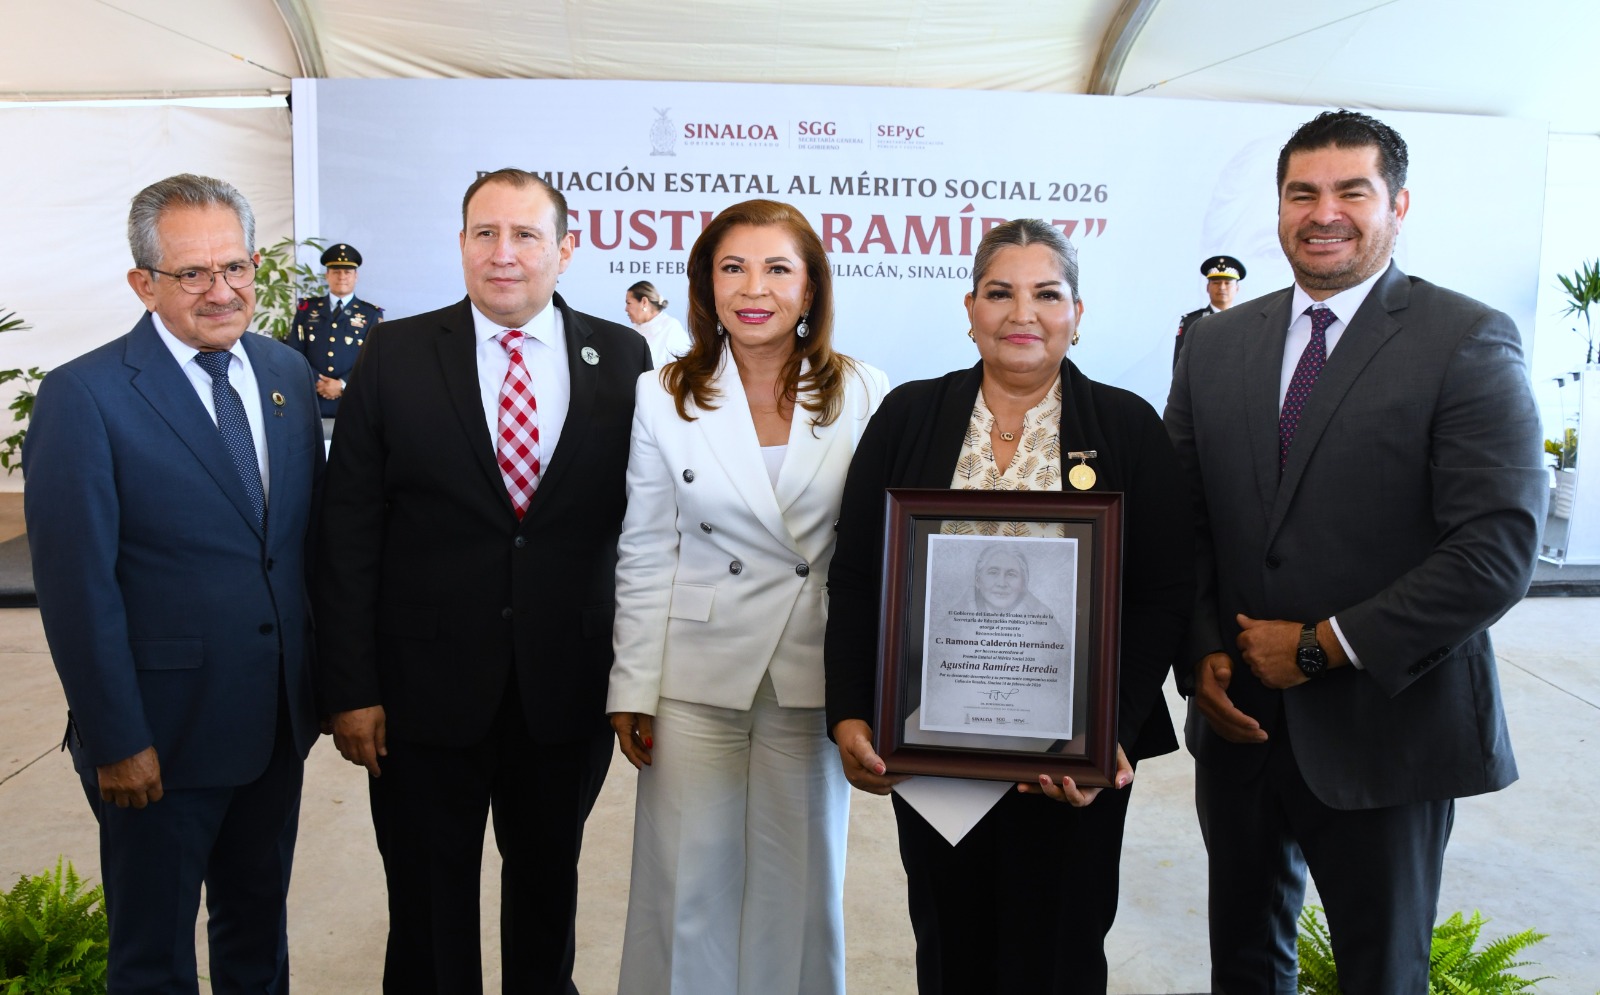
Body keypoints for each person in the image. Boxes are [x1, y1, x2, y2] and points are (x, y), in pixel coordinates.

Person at [1164, 110, 1547, 992]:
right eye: (1302, 193)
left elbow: (1496, 549)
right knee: (1244, 966)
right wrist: (1201, 648)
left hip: (1388, 730)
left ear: (1398, 205)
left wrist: (1321, 644)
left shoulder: (1466, 339)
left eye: (1351, 191)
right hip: (1241, 725)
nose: (1323, 213)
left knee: (1381, 973)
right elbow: (1185, 518)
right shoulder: (1216, 343)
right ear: (1279, 207)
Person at [824, 218, 1194, 993]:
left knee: (1060, 955)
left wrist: (1111, 733)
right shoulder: (909, 416)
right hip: (933, 751)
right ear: (970, 309)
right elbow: (857, 574)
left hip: (1072, 761)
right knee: (951, 950)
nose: (1023, 312)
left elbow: (1162, 593)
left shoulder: (1127, 427)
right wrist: (852, 709)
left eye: (1047, 294)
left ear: (1077, 313)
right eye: (1000, 292)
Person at [314, 168, 651, 994]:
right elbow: (348, 530)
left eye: (526, 234)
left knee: (548, 891)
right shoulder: (393, 354)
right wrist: (350, 687)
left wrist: (640, 678)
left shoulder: (624, 358)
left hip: (565, 689)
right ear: (461, 243)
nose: (505, 253)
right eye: (485, 233)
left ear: (565, 249)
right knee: (427, 907)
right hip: (420, 694)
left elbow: (645, 531)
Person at [23, 173, 324, 992]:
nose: (221, 291)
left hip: (273, 726)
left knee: (257, 938)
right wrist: (116, 737)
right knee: (153, 958)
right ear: (143, 283)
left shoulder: (285, 371)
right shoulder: (84, 396)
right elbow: (77, 588)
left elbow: (298, 548)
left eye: (236, 267)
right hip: (158, 738)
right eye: (192, 273)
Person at [607, 199, 887, 995]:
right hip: (695, 669)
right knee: (684, 885)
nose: (753, 288)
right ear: (706, 285)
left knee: (799, 889)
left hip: (811, 670)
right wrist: (632, 683)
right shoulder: (662, 392)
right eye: (732, 267)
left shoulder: (864, 389)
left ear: (811, 288)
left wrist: (875, 690)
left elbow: (880, 551)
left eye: (777, 268)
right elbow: (646, 546)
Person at [290, 242, 384, 422]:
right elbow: (294, 352)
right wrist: (317, 381)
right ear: (327, 275)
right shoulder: (307, 309)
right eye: (336, 271)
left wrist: (341, 384)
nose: (342, 277)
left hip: (353, 399)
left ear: (356, 276)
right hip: (311, 398)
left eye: (347, 272)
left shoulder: (371, 314)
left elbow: (374, 359)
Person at [1173, 253, 1245, 368]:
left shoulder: (1247, 321)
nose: (1222, 287)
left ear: (1237, 288)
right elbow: (1179, 366)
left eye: (1227, 283)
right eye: (1216, 283)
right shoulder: (1191, 322)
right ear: (1207, 287)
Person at [624, 279, 692, 367]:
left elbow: (686, 366)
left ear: (644, 302)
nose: (626, 309)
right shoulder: (634, 330)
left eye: (629, 303)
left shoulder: (671, 327)